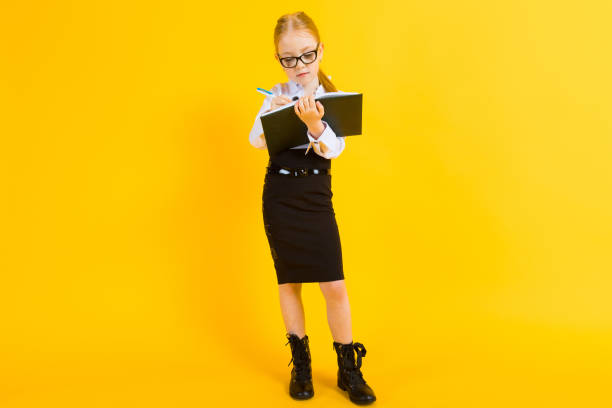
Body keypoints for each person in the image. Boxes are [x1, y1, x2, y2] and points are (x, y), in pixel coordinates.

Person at [248, 11, 376, 405]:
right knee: (289, 282)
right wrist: (272, 111)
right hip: (280, 197)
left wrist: (316, 125)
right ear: (278, 59)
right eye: (289, 58)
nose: (299, 66)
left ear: (320, 52)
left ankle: (347, 368)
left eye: (306, 56)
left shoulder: (331, 98)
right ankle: (301, 365)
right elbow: (255, 141)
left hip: (315, 198)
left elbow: (335, 148)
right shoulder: (274, 94)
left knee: (334, 287)